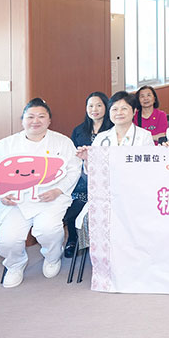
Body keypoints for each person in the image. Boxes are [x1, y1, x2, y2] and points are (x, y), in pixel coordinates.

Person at [0, 98, 81, 288]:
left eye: (41, 116)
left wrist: (58, 190)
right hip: (16, 200)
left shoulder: (62, 142)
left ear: (49, 120)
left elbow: (74, 169)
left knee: (48, 230)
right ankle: (15, 265)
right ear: (22, 120)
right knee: (7, 240)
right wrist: (0, 193)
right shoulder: (6, 145)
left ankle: (52, 257)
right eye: (31, 116)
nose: (36, 121)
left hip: (50, 198)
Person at [65, 92, 112, 257]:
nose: (94, 109)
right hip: (83, 178)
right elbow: (72, 157)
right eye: (90, 106)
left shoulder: (112, 129)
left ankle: (99, 242)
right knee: (74, 203)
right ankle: (73, 239)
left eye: (99, 105)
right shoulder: (79, 130)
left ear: (106, 107)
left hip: (106, 179)